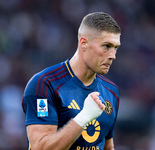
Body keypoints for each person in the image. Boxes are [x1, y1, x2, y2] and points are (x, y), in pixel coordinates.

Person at [22, 12, 121, 150]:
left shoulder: (111, 91)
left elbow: (107, 146)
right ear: (84, 43)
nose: (113, 56)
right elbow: (40, 147)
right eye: (106, 46)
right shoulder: (44, 84)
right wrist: (84, 116)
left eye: (116, 48)